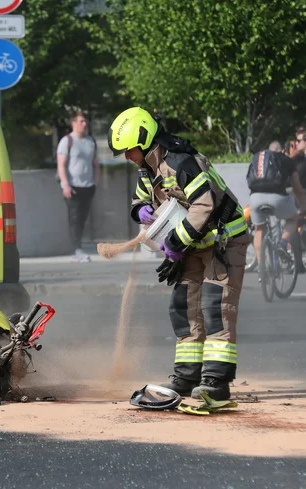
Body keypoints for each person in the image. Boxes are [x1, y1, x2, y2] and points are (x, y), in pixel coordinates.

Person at [108, 107, 249, 401]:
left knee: (215, 308)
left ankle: (216, 382)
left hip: (224, 241)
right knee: (184, 307)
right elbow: (140, 199)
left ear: (143, 140)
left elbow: (204, 206)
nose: (127, 157)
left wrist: (174, 242)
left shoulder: (181, 162)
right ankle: (186, 377)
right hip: (192, 245)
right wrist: (140, 210)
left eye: (128, 150)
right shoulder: (147, 167)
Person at [247, 145, 306, 275]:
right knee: (293, 219)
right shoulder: (286, 160)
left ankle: (262, 268)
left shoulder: (257, 159)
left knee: (259, 229)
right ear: (282, 150)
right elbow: (297, 188)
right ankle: (283, 243)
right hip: (277, 197)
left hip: (255, 197)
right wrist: (303, 206)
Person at [56, 110, 100, 263]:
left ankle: (78, 247)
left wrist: (95, 183)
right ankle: (76, 250)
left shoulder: (90, 141)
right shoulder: (67, 141)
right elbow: (61, 165)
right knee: (74, 218)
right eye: (81, 121)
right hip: (72, 187)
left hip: (87, 187)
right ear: (73, 123)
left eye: (85, 121)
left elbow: (95, 164)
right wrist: (65, 185)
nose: (84, 124)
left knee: (82, 219)